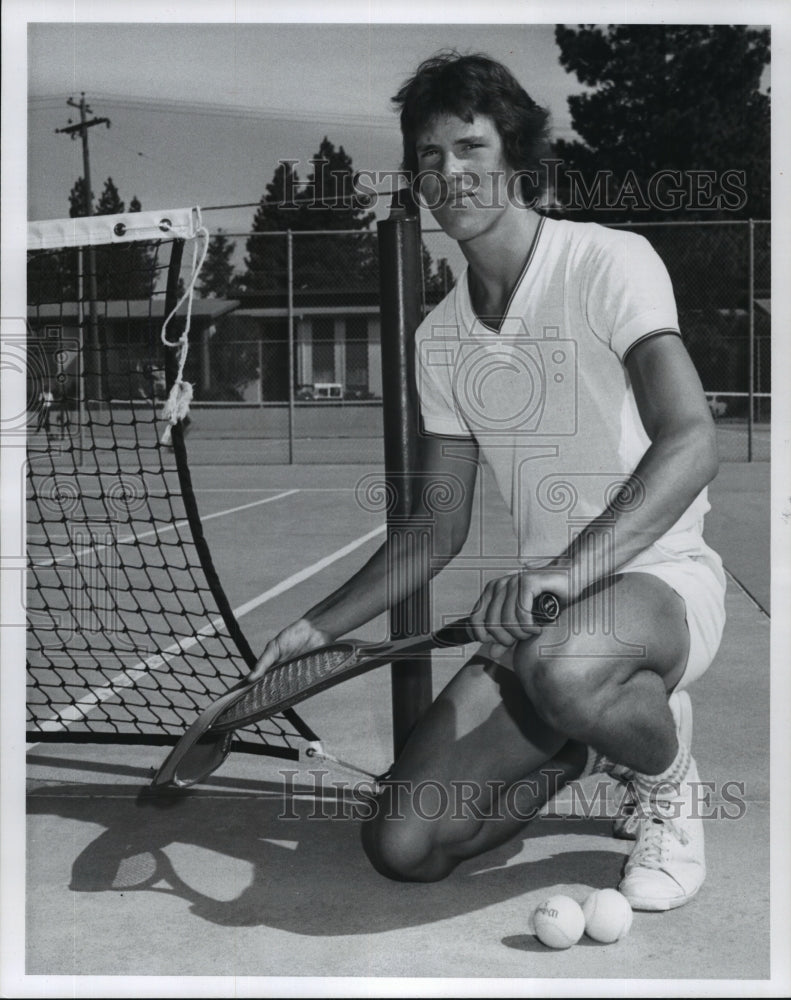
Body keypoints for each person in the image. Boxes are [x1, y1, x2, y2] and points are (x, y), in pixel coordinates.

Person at [253, 52, 726, 911]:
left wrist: (561, 575)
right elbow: (433, 532)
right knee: (404, 843)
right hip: (544, 623)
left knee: (562, 668)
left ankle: (667, 781)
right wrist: (317, 628)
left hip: (661, 580)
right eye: (428, 157)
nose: (448, 173)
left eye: (469, 148)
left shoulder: (607, 262)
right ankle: (587, 744)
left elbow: (691, 441)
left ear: (514, 158)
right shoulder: (440, 339)